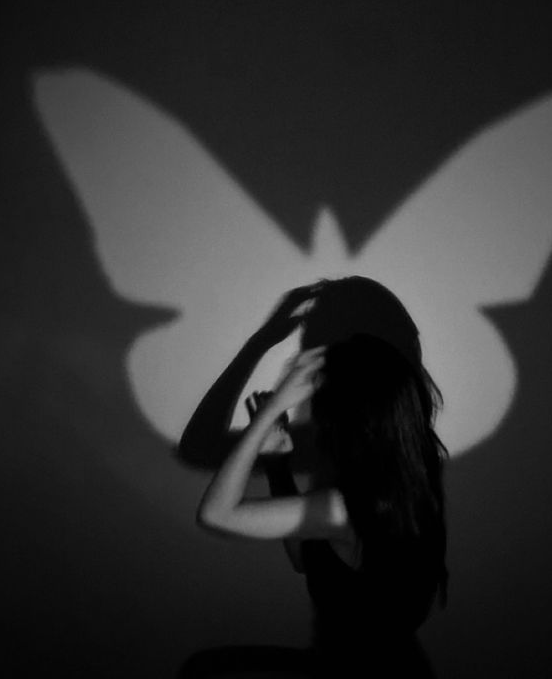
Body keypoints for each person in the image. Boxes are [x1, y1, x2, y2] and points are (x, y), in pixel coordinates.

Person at [179, 276, 448, 678]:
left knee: (202, 671)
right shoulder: (407, 469)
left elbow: (215, 513)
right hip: (372, 668)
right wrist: (277, 464)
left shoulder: (344, 507)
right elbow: (302, 558)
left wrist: (270, 406)